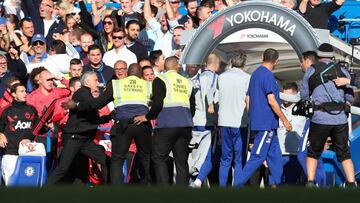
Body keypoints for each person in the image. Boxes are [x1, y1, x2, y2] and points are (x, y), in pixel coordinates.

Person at [65, 65, 153, 185]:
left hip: (123, 125)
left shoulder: (117, 85)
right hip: (142, 123)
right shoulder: (148, 85)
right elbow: (158, 103)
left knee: (117, 159)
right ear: (141, 75)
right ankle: (146, 187)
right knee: (145, 156)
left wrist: (78, 105)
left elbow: (98, 104)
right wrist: (148, 116)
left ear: (127, 73)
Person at [300, 43, 356, 188]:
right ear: (332, 56)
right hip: (340, 119)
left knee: (313, 152)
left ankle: (311, 183)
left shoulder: (311, 71)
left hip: (320, 118)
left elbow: (304, 95)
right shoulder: (343, 72)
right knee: (344, 153)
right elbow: (350, 98)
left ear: (318, 56)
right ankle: (351, 183)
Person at [134, 56, 195, 185]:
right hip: (185, 125)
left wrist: (147, 117)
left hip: (167, 124)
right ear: (177, 66)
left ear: (165, 66)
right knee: (181, 161)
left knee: (159, 157)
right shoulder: (187, 82)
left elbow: (157, 104)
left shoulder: (160, 80)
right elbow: (192, 108)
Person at [236, 48, 292, 187]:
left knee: (276, 158)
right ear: (276, 61)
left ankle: (276, 185)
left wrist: (253, 116)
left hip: (266, 124)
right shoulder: (267, 76)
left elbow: (248, 100)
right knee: (257, 157)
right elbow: (272, 100)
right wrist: (285, 121)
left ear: (263, 57)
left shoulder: (254, 74)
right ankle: (236, 186)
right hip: (266, 125)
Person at [46, 72, 109, 185]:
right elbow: (95, 104)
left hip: (85, 140)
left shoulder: (88, 96)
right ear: (87, 82)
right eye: (95, 80)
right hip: (73, 138)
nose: (98, 82)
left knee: (105, 160)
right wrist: (110, 94)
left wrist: (109, 116)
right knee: (62, 169)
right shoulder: (82, 92)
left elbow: (92, 120)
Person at [217, 50, 250, 187]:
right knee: (239, 159)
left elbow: (215, 99)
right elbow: (249, 101)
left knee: (225, 159)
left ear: (231, 61)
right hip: (240, 122)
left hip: (224, 121)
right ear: (244, 62)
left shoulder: (222, 77)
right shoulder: (247, 78)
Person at [191, 53, 220, 187]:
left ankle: (193, 181)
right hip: (207, 122)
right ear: (216, 65)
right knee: (209, 156)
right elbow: (211, 92)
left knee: (196, 156)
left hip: (195, 122)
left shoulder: (196, 79)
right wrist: (211, 105)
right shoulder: (214, 77)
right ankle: (197, 182)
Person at [0, 84, 38, 185]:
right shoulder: (7, 110)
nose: (25, 93)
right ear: (13, 94)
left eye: (25, 91)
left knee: (28, 185)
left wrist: (48, 125)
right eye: (21, 91)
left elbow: (38, 128)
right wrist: (0, 134)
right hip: (11, 153)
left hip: (29, 153)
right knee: (11, 184)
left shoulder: (32, 109)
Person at [278, 83, 306, 185]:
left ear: (295, 95)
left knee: (292, 184)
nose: (285, 98)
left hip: (296, 154)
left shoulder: (303, 110)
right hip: (279, 153)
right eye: (283, 95)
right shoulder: (277, 109)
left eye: (288, 96)